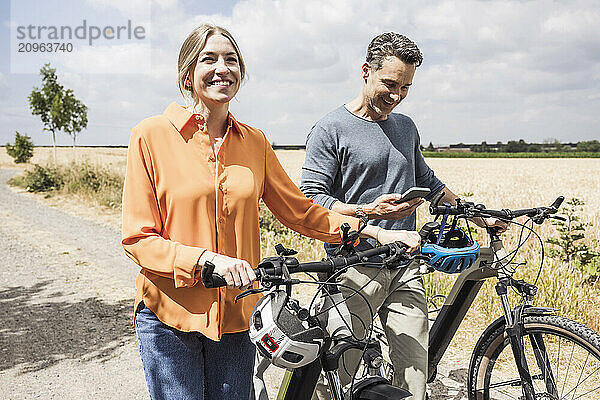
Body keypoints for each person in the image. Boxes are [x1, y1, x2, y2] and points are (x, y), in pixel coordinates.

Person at [121, 24, 422, 400]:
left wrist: (374, 232)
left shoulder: (255, 142)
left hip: (236, 314)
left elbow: (301, 212)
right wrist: (205, 260)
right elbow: (138, 239)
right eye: (209, 59)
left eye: (231, 60)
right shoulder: (150, 135)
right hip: (170, 313)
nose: (222, 68)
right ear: (187, 73)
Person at [300, 32, 507, 400]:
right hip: (354, 266)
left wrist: (480, 218)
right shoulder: (330, 129)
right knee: (336, 375)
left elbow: (430, 183)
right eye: (390, 84)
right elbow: (312, 200)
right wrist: (369, 211)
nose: (397, 95)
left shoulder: (405, 126)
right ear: (366, 72)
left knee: (415, 370)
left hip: (406, 264)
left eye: (406, 86)